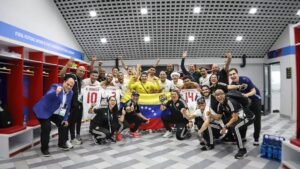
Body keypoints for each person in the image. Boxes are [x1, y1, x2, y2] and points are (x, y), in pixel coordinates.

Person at [33, 78, 74, 157]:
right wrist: (56, 92)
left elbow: (67, 106)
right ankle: (44, 149)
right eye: (68, 84)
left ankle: (61, 143)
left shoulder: (71, 93)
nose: (69, 87)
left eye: (71, 86)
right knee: (47, 127)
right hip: (44, 111)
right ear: (64, 82)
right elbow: (48, 94)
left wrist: (65, 119)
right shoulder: (56, 86)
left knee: (64, 124)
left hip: (55, 113)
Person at [209, 89, 251, 159]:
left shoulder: (230, 102)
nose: (219, 96)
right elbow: (219, 117)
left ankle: (242, 150)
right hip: (238, 116)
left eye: (221, 94)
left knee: (235, 127)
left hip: (248, 117)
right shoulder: (220, 104)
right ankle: (231, 138)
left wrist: (225, 126)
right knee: (222, 121)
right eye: (217, 95)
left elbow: (235, 118)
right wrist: (211, 115)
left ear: (224, 94)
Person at [229, 68, 261, 146]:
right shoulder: (232, 84)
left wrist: (245, 96)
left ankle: (256, 139)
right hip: (246, 103)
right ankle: (243, 137)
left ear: (237, 74)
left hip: (255, 101)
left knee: (256, 120)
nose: (232, 76)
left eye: (234, 74)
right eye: (230, 75)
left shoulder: (245, 79)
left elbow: (254, 91)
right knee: (243, 120)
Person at [59, 59, 86, 146]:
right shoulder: (72, 76)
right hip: (67, 106)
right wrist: (67, 65)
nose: (81, 72)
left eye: (83, 71)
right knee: (65, 123)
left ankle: (73, 138)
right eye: (80, 70)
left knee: (72, 123)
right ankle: (64, 141)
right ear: (76, 70)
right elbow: (61, 74)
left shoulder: (80, 81)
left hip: (75, 106)